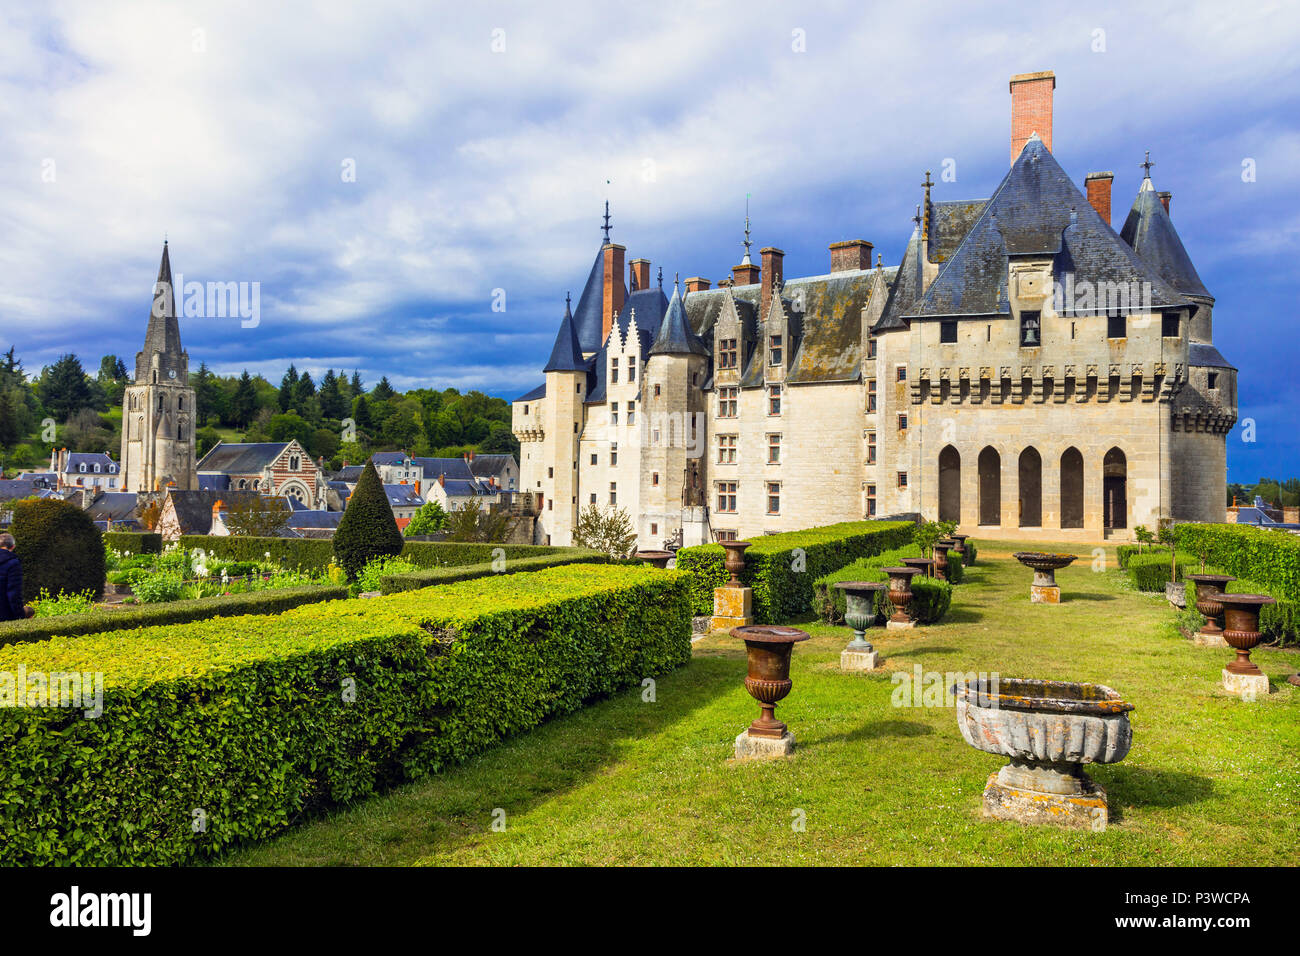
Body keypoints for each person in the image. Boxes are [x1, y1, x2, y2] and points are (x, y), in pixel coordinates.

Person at [0, 532, 34, 621]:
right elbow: (14, 594)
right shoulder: (13, 563)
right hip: (4, 614)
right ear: (12, 547)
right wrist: (20, 615)